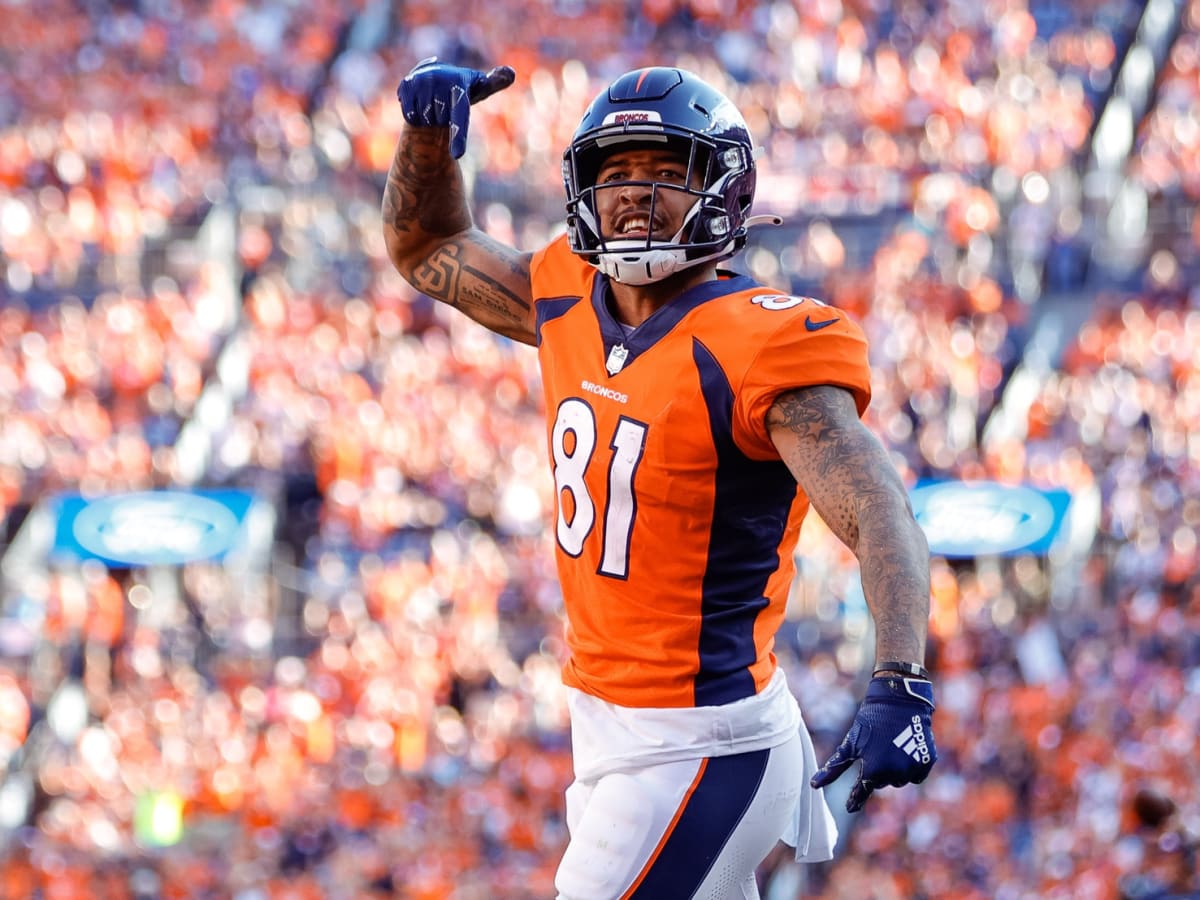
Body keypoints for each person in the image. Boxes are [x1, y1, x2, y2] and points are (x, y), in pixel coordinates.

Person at [383, 58, 938, 900]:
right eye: (617, 173)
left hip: (705, 741)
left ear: (722, 189)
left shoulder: (761, 342)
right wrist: (426, 141)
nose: (636, 192)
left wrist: (900, 675)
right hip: (606, 726)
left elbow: (876, 508)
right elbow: (426, 246)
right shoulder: (565, 291)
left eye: (665, 171)